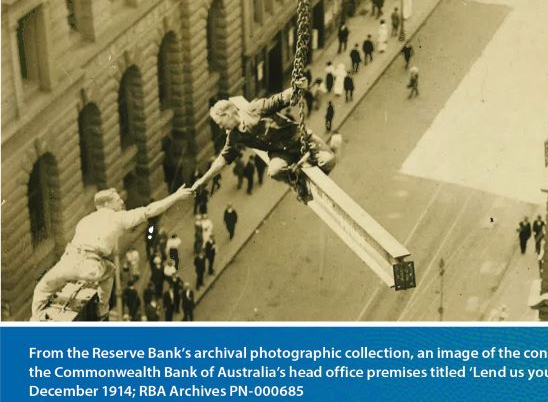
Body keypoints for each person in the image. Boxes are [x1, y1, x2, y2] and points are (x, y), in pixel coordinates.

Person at [30, 186, 191, 321]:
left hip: (68, 261)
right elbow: (150, 210)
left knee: (42, 288)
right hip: (90, 265)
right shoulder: (117, 218)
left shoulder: (86, 219)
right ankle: (102, 312)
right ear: (106, 203)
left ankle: (35, 320)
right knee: (110, 270)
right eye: (117, 199)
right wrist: (176, 196)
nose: (122, 201)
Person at [192, 84, 336, 197]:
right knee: (274, 171)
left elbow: (278, 100)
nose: (220, 126)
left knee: (328, 161)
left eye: (219, 122)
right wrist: (203, 180)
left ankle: (304, 162)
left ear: (228, 114)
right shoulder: (234, 136)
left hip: (300, 138)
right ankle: (297, 180)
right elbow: (221, 160)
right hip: (280, 152)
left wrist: (296, 90)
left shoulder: (254, 109)